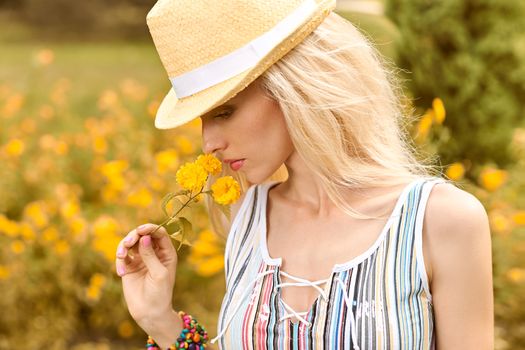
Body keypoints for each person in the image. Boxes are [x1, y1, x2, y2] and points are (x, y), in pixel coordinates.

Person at [115, 0, 494, 349]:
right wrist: (158, 319)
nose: (208, 143)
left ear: (294, 87)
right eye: (202, 120)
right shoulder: (249, 218)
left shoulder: (440, 221)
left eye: (225, 112)